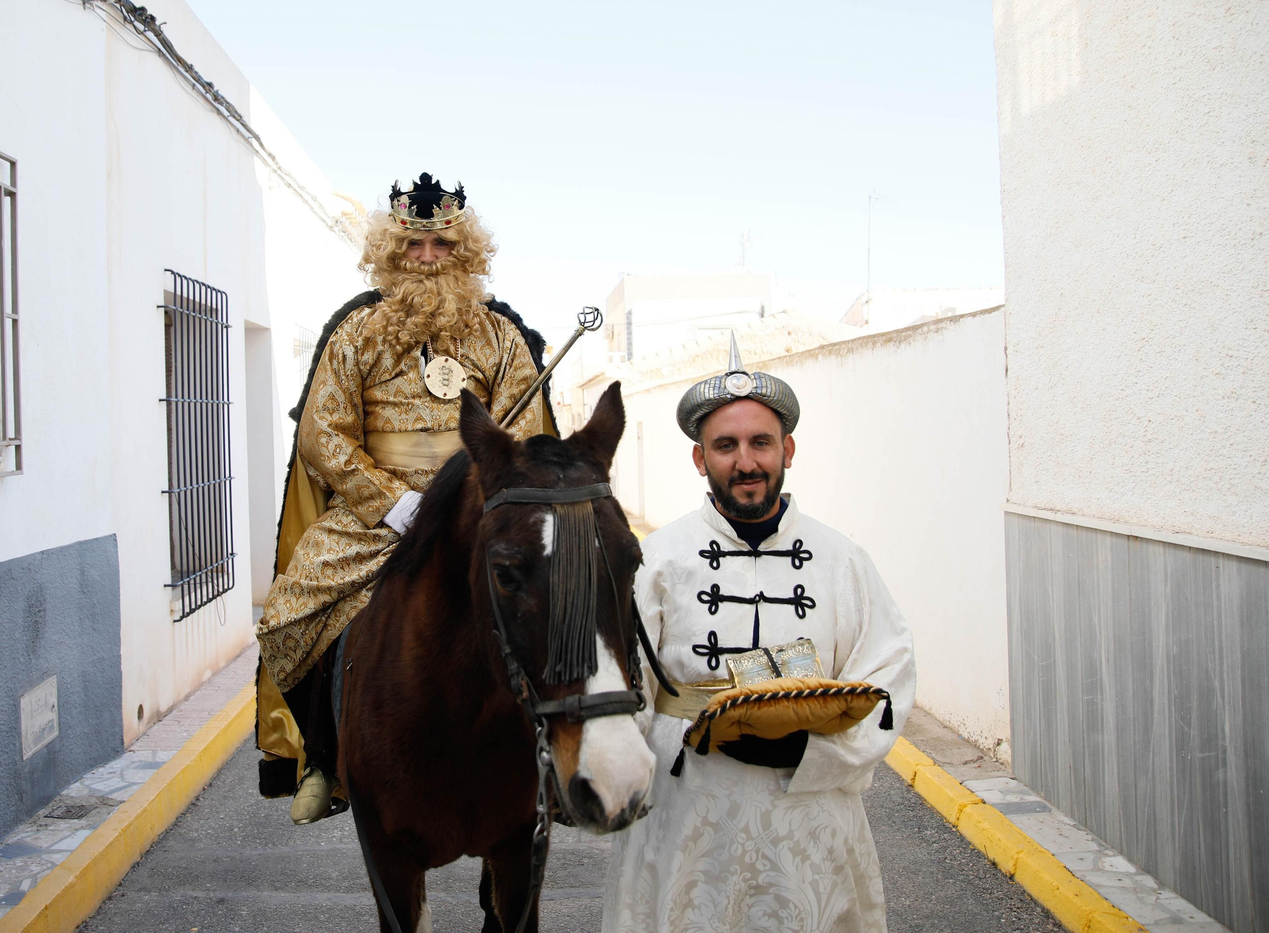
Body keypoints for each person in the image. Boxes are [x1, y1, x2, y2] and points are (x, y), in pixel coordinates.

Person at [253, 173, 552, 824]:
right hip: (372, 521)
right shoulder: (356, 332)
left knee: (553, 604)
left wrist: (467, 504)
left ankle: (550, 756)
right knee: (286, 618)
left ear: (464, 250)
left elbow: (522, 439)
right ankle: (326, 761)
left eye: (441, 244)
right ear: (391, 250)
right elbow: (321, 434)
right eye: (413, 246)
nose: (426, 257)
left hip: (475, 518)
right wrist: (392, 504)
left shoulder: (501, 339)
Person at [602, 336, 916, 933]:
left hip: (809, 816)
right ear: (701, 460)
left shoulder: (840, 560)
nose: (746, 462)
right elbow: (625, 685)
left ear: (787, 450)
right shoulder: (657, 559)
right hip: (686, 812)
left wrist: (815, 752)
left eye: (760, 443)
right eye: (726, 446)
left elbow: (889, 677)